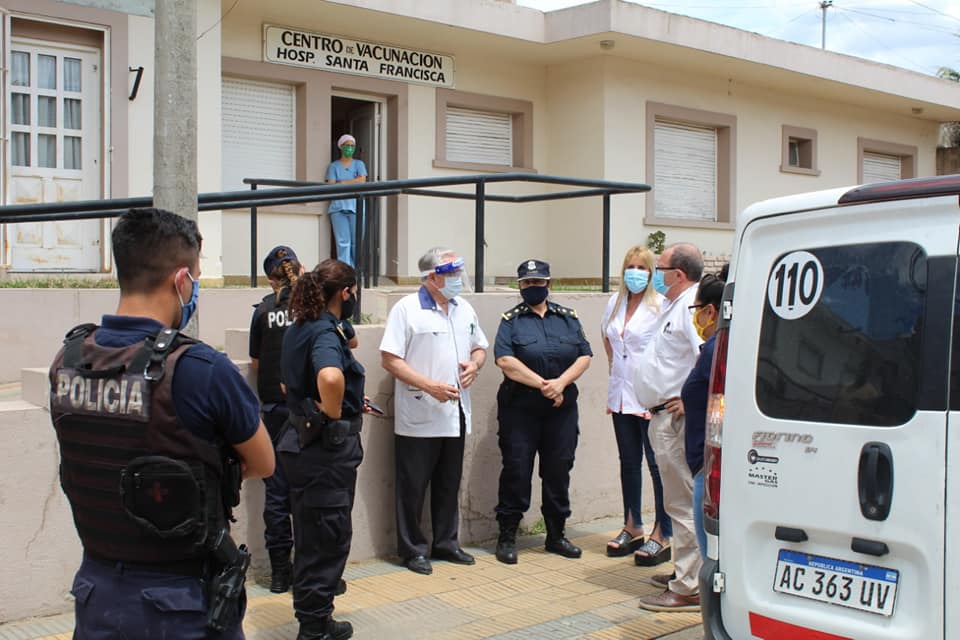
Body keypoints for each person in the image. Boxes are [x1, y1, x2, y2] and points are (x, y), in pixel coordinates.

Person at [48, 207, 275, 639]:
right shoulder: (201, 369)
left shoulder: (69, 361)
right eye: (197, 278)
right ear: (182, 280)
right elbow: (264, 462)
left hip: (95, 593)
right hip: (180, 604)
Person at [379, 247, 488, 575]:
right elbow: (390, 359)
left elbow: (480, 347)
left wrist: (475, 365)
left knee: (448, 483)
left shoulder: (464, 308)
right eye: (450, 273)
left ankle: (446, 542)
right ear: (430, 277)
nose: (457, 278)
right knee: (412, 487)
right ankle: (412, 550)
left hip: (456, 413)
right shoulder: (407, 309)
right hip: (420, 414)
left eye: (457, 272)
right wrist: (429, 386)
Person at [276, 259, 365, 640]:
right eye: (353, 291)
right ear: (344, 293)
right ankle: (313, 629)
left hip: (300, 443)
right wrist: (332, 412)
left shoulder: (299, 327)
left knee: (312, 535)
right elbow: (330, 376)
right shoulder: (325, 332)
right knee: (326, 540)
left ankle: (317, 618)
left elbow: (287, 385)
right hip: (324, 452)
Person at [493, 259, 593, 565]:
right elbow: (505, 361)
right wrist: (544, 385)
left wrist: (561, 383)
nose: (532, 287)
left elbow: (585, 355)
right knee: (516, 469)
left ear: (549, 284)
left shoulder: (567, 318)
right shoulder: (511, 321)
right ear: (520, 286)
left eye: (538, 282)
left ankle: (556, 535)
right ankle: (507, 535)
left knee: (558, 470)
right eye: (526, 283)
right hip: (520, 410)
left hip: (561, 411)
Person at [633, 243, 705, 613]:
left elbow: (706, 355)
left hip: (676, 420)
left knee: (682, 502)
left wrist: (689, 400)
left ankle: (689, 586)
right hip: (662, 416)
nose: (654, 275)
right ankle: (685, 571)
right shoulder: (675, 305)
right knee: (677, 500)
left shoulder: (693, 306)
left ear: (678, 274)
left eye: (659, 268)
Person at [601, 246, 673, 561]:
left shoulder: (661, 305)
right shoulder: (614, 303)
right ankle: (632, 526)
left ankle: (663, 532)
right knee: (628, 462)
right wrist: (616, 367)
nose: (636, 273)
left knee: (657, 466)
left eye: (642, 268)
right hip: (620, 395)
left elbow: (668, 348)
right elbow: (607, 336)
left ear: (652, 272)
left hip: (650, 396)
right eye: (631, 266)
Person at [249, 245, 302, 593]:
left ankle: (280, 573)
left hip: (274, 413)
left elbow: (256, 363)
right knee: (309, 494)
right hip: (308, 413)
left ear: (270, 279)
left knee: (278, 494)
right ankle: (312, 569)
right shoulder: (312, 309)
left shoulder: (263, 312)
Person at [325, 134, 367, 268]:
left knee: (356, 242)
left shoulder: (359, 164)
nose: (349, 148)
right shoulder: (333, 166)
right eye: (347, 145)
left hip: (356, 206)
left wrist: (343, 182)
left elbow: (362, 180)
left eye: (352, 146)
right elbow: (331, 184)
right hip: (338, 207)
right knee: (343, 242)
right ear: (341, 146)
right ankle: (345, 270)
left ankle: (356, 270)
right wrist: (352, 182)